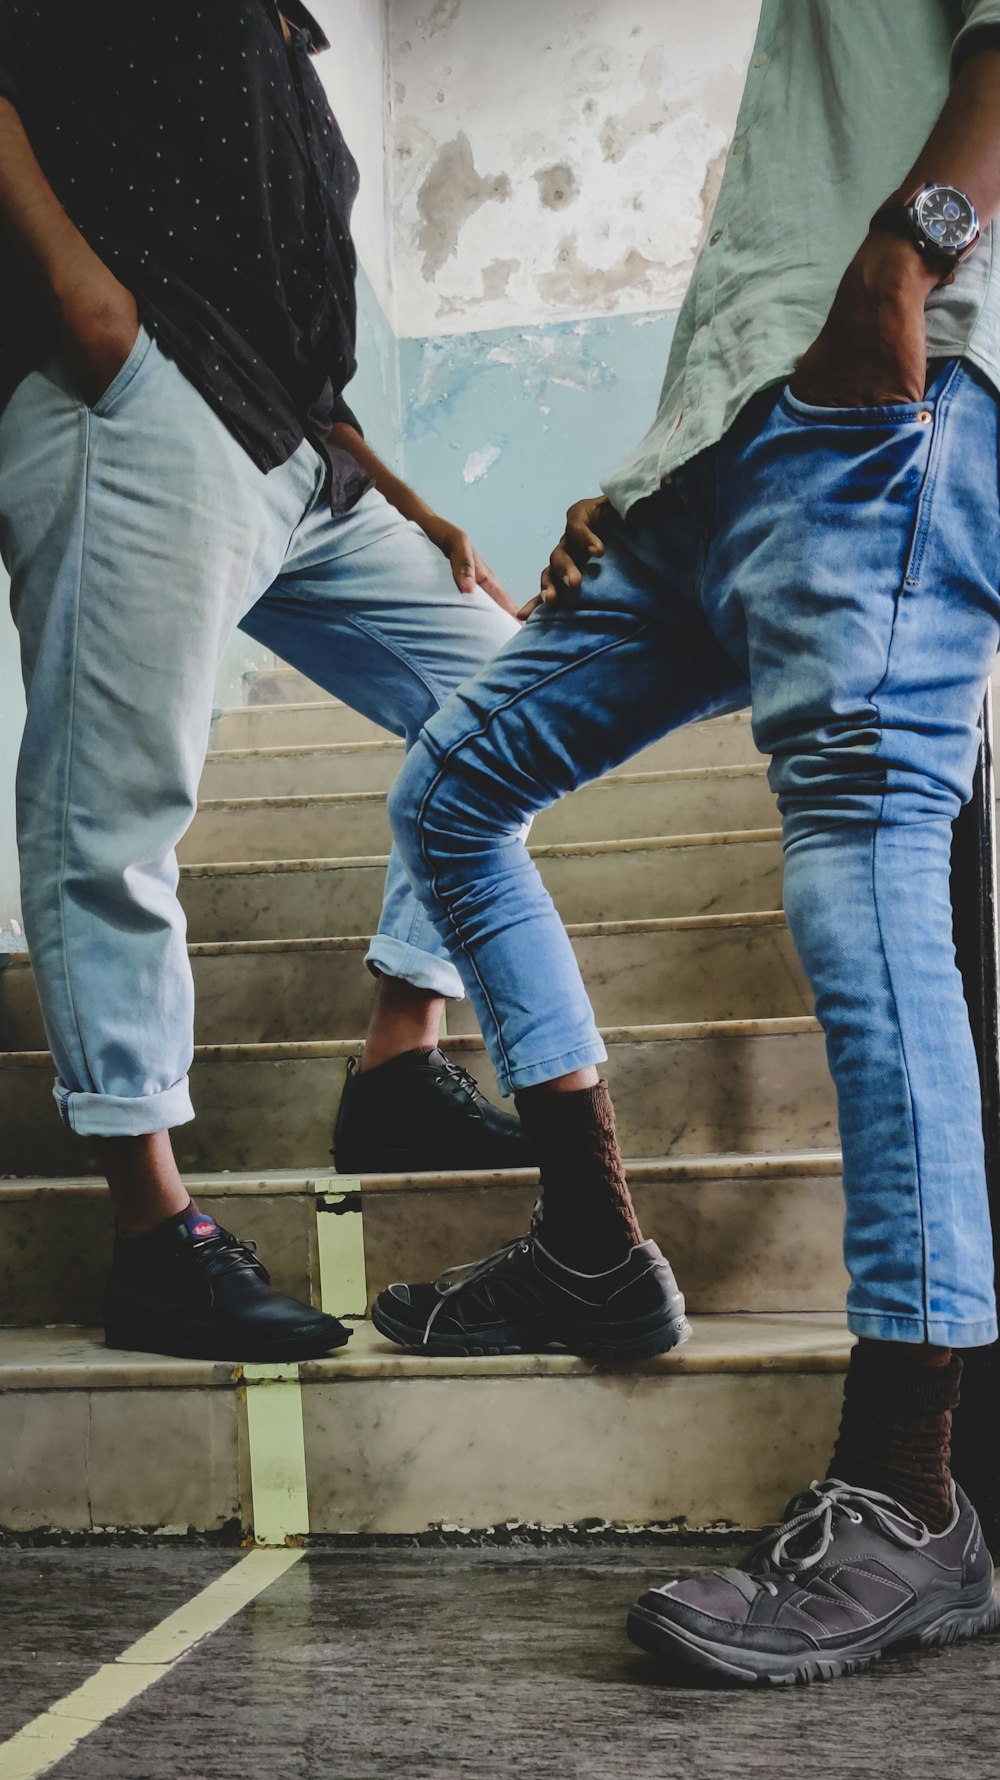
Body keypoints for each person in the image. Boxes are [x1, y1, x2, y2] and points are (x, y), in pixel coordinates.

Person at [375, 0, 1000, 1684]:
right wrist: (656, 461)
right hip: (719, 460)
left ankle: (910, 1492)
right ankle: (591, 1238)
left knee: (868, 878)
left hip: (885, 404)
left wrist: (909, 255)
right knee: (448, 790)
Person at [0, 0, 531, 1366]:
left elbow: (285, 272)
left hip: (302, 445)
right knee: (113, 809)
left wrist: (396, 483)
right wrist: (81, 301)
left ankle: (400, 1059)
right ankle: (152, 1230)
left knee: (515, 695)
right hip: (146, 385)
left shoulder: (284, 33)